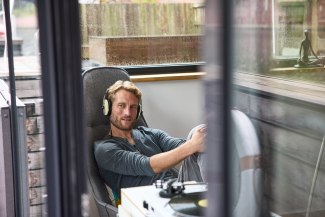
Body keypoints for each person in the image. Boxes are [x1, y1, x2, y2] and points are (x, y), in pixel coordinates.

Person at [94, 80, 206, 203]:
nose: (127, 112)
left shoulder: (150, 134)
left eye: (133, 107)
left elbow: (182, 145)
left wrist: (198, 141)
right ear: (108, 108)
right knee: (197, 136)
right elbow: (148, 165)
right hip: (154, 203)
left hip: (181, 189)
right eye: (121, 105)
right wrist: (192, 145)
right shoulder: (104, 149)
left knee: (202, 133)